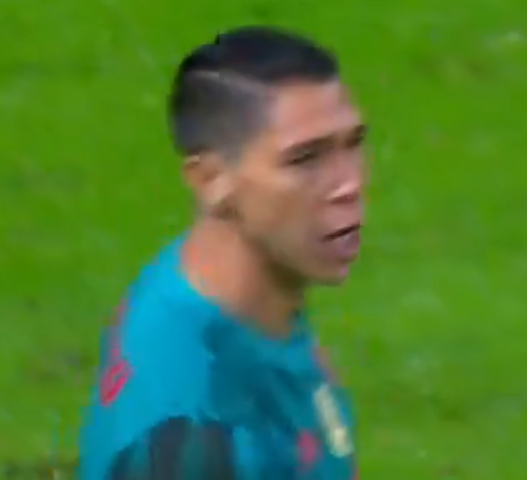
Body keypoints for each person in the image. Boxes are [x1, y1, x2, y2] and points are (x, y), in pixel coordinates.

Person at [79, 26, 365, 480]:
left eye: (353, 144)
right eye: (304, 159)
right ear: (211, 180)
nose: (349, 183)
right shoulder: (194, 436)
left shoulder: (244, 295)